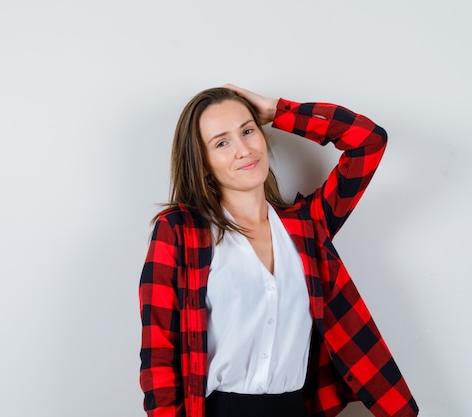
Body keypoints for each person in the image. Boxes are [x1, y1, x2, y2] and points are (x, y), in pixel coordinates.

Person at [138, 85, 419, 417]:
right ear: (202, 163)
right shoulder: (180, 231)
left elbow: (369, 141)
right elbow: (159, 353)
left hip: (295, 407)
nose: (244, 150)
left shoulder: (308, 226)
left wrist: (279, 111)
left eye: (247, 130)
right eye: (222, 142)